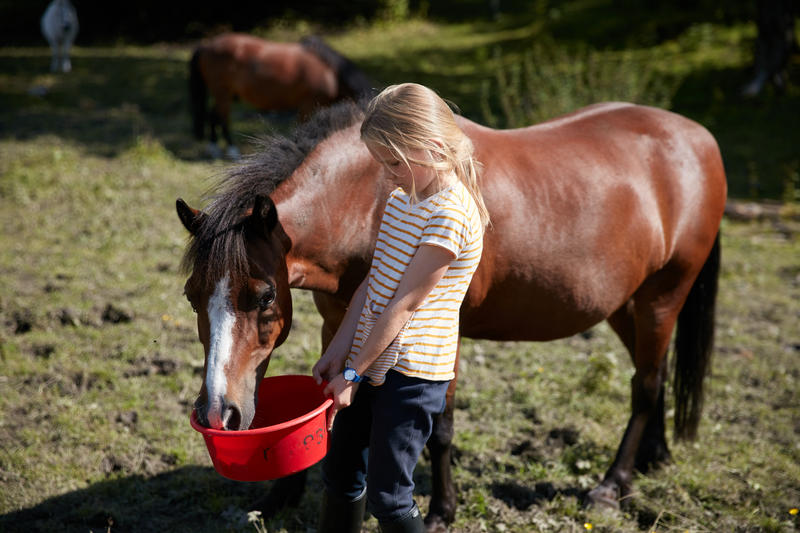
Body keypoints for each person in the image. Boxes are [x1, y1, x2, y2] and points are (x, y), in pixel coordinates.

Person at [312, 83, 489, 533]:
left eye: (394, 162)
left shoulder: (451, 214)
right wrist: (340, 351)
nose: (388, 175)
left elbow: (405, 304)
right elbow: (373, 286)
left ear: (431, 147)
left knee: (390, 497)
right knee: (341, 470)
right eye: (382, 164)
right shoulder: (401, 200)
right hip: (370, 358)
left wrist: (352, 374)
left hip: (412, 374)